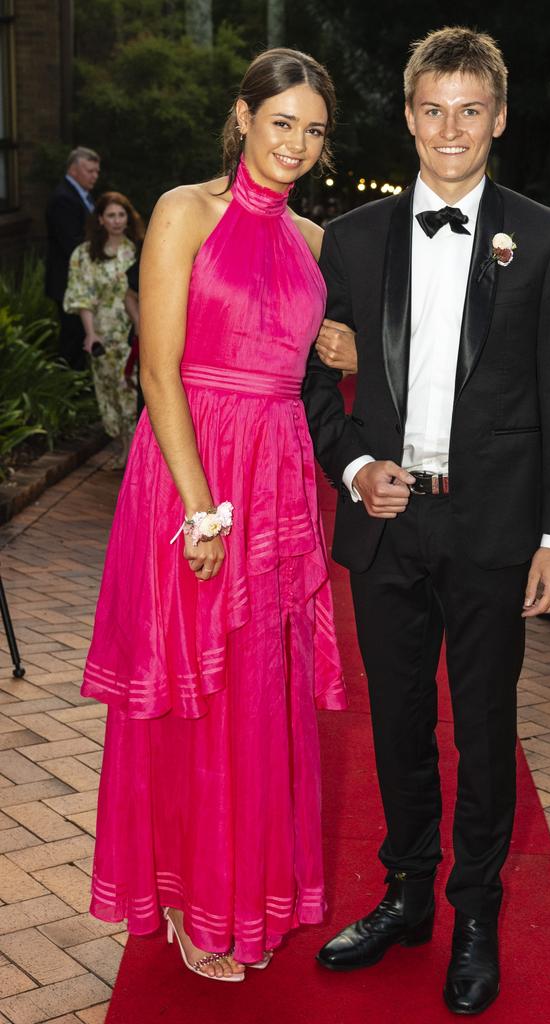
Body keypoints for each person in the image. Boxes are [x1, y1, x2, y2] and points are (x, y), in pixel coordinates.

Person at [303, 27, 550, 1015]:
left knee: (486, 721)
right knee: (398, 721)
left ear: (499, 117)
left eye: (472, 109)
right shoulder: (349, 239)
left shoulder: (544, 237)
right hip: (386, 521)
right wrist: (352, 464)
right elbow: (315, 384)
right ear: (411, 115)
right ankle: (408, 892)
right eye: (434, 109)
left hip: (495, 530)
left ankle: (475, 912)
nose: (451, 128)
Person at [81, 49, 345, 981]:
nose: (297, 145)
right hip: (195, 471)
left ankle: (244, 892)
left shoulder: (314, 242)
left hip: (278, 474)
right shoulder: (184, 210)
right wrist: (200, 513)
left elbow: (306, 348)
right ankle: (190, 897)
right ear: (243, 116)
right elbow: (158, 370)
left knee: (258, 693)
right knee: (194, 688)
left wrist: (335, 343)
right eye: (283, 123)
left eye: (314, 130)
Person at [64, 191, 144, 469]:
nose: (117, 220)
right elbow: (81, 296)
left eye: (122, 215)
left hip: (133, 332)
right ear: (100, 219)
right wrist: (90, 333)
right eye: (111, 215)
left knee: (131, 391)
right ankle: (124, 446)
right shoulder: (84, 255)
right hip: (102, 334)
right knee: (109, 392)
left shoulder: (137, 250)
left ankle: (133, 453)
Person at [45, 147, 101, 370]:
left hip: (80, 281)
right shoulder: (63, 198)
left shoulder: (83, 195)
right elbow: (72, 244)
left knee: (80, 334)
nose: (95, 176)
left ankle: (79, 379)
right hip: (67, 282)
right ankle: (68, 385)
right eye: (90, 171)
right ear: (74, 169)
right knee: (72, 336)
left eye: (97, 171)